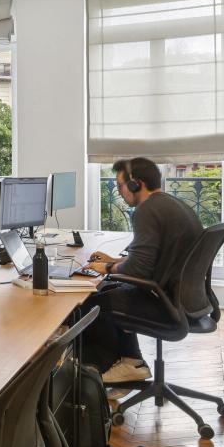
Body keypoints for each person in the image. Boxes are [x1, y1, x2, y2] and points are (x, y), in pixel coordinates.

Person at [78, 157, 203, 383]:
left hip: (166, 304)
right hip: (186, 300)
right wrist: (115, 260)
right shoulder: (171, 204)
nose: (119, 192)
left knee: (90, 305)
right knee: (110, 287)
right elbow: (152, 258)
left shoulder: (147, 210)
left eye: (120, 186)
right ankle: (131, 362)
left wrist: (106, 267)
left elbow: (138, 269)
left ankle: (99, 376)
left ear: (136, 184)